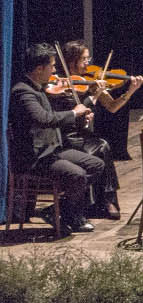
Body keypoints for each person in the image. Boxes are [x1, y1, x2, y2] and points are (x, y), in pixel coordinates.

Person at [8, 43, 108, 235]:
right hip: (34, 157)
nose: (55, 71)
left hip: (50, 150)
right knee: (77, 175)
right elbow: (44, 119)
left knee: (96, 165)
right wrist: (73, 112)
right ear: (39, 69)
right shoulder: (23, 92)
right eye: (52, 66)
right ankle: (68, 214)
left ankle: (59, 211)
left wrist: (80, 115)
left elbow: (54, 117)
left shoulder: (39, 88)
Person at [60, 40, 143, 162]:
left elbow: (112, 107)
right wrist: (96, 95)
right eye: (83, 60)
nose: (87, 64)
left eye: (88, 59)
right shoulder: (61, 84)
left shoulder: (92, 83)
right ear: (71, 62)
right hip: (65, 135)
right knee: (100, 148)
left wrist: (131, 91)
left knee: (104, 146)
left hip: (82, 133)